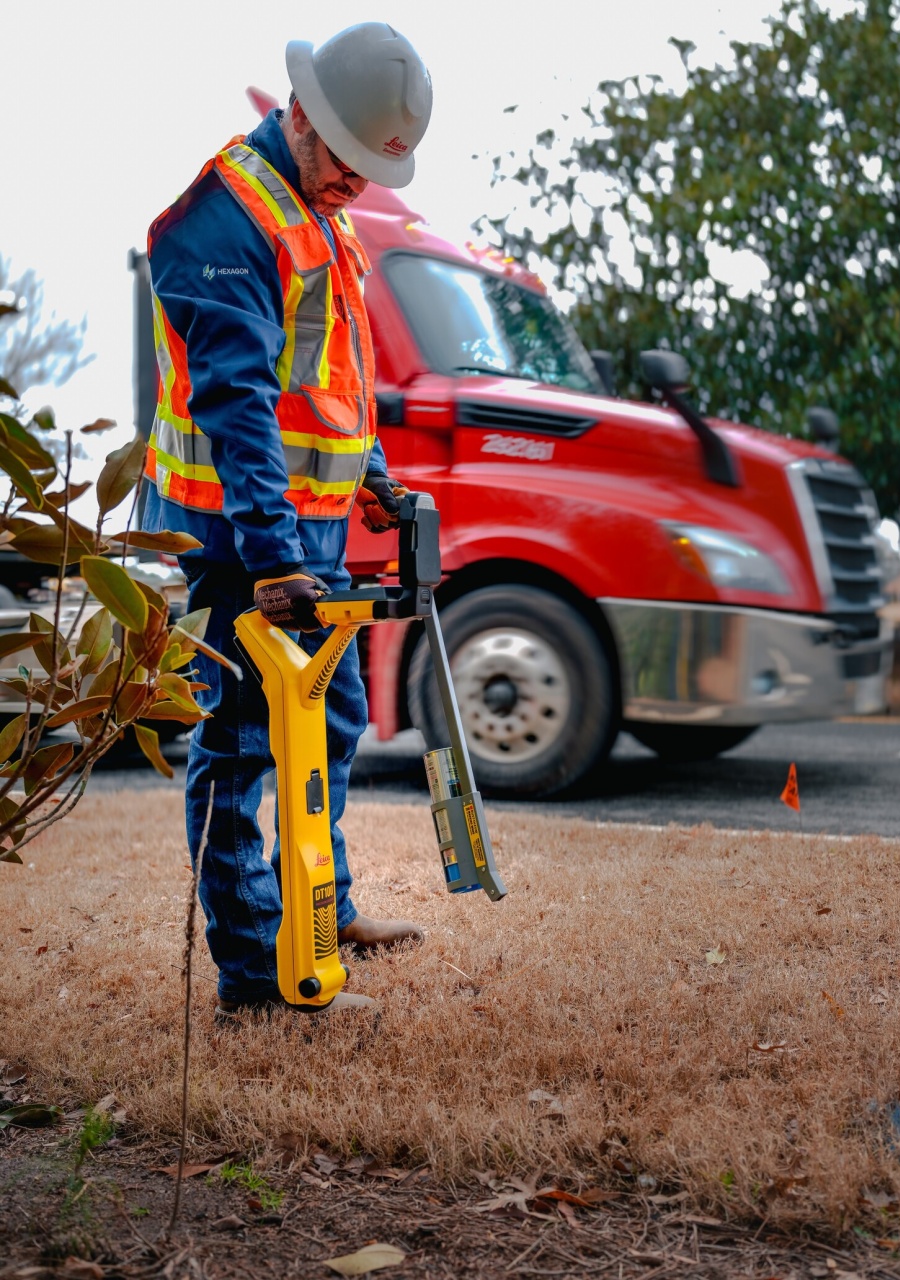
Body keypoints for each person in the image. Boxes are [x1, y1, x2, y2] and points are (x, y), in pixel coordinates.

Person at [143, 22, 433, 1020]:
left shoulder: (321, 208)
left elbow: (329, 383)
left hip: (298, 535)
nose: (357, 185)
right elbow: (239, 404)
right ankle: (254, 977)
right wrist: (270, 556)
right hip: (232, 541)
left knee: (335, 720)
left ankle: (327, 905)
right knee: (238, 745)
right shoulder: (227, 222)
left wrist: (376, 477)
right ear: (300, 114)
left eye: (370, 171)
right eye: (347, 161)